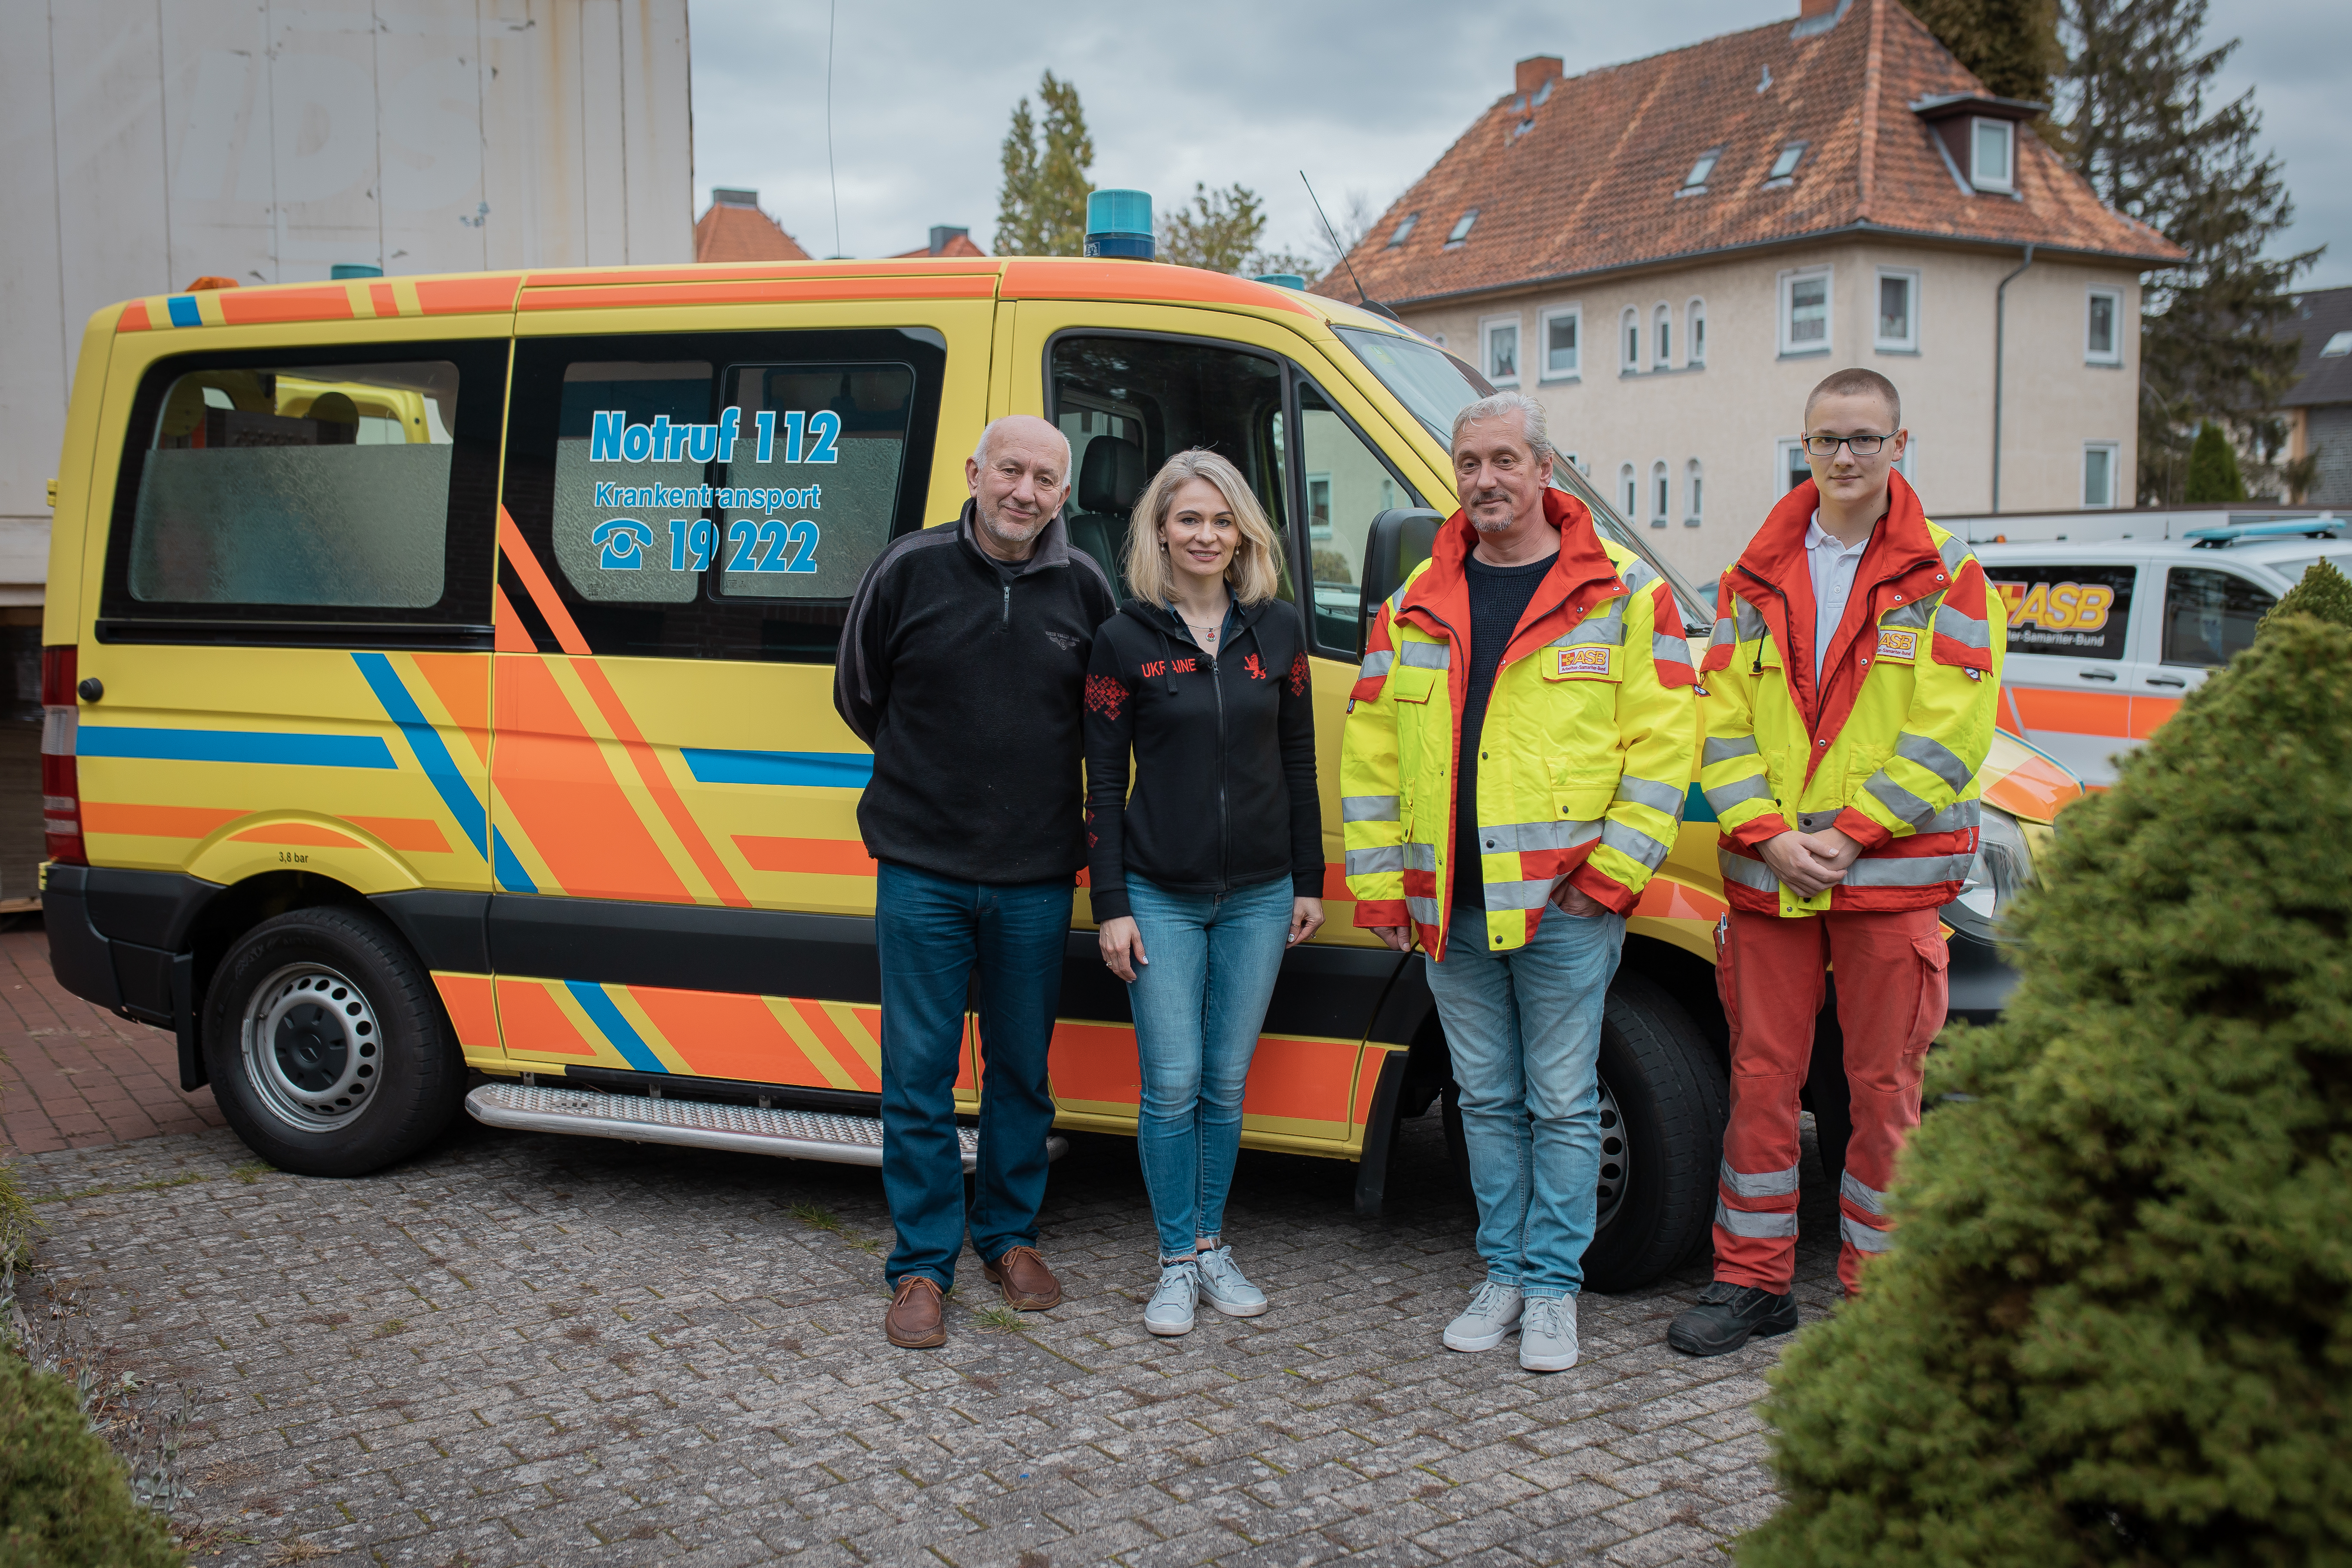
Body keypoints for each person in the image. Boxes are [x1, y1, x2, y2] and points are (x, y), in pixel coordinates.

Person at [1341, 392, 1697, 1373]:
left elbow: (1665, 747)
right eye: (1469, 463)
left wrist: (1613, 875)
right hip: (1446, 905)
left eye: (1504, 459)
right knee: (1487, 1100)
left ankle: (1552, 1289)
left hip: (1563, 905)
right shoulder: (1414, 599)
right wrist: (1381, 889)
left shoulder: (1623, 593)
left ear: (1546, 470)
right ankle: (1502, 1271)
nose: (1485, 480)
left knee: (1564, 1100)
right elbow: (1372, 752)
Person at [1668, 368, 2003, 1357]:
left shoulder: (1948, 576)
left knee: (1884, 1091)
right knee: (1761, 1082)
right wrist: (1773, 835)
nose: (1845, 457)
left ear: (1902, 447)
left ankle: (1880, 1297)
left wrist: (1848, 836)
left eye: (1865, 439)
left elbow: (1951, 736)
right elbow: (1718, 724)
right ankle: (1753, 1283)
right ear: (1803, 448)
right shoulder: (1751, 576)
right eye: (1827, 440)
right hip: (1772, 880)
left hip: (1888, 883)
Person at [835, 413, 1117, 1350]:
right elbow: (859, 692)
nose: (1024, 493)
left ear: (1063, 495)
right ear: (975, 471)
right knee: (917, 1075)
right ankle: (921, 1265)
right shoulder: (907, 569)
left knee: (1021, 1074)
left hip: (1037, 877)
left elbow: (1100, 723)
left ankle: (1008, 1237)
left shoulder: (1084, 588)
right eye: (1010, 471)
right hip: (922, 869)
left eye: (1044, 479)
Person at [1084, 450, 1324, 1337]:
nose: (1207, 535)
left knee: (1225, 1084)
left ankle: (1214, 1244)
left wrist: (1310, 880)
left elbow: (1298, 762)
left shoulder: (1281, 631)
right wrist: (1112, 903)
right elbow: (1102, 784)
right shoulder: (1124, 640)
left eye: (1222, 520)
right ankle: (1175, 1261)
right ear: (1160, 530)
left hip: (1263, 897)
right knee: (1172, 1083)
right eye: (1189, 518)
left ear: (1243, 534)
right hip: (1158, 895)